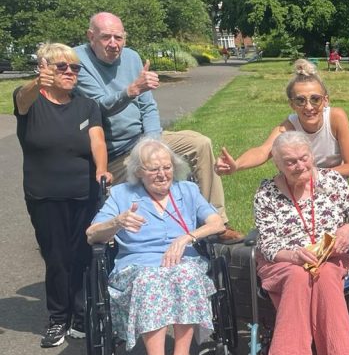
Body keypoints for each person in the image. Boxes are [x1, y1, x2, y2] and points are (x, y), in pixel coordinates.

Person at [74, 12, 243, 242]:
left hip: (142, 139)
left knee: (200, 143)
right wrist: (131, 90)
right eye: (106, 37)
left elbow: (148, 107)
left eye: (118, 37)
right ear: (91, 36)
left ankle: (217, 223)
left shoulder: (132, 57)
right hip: (115, 152)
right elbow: (97, 108)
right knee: (148, 172)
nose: (113, 44)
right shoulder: (78, 61)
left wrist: (152, 143)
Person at [86, 138, 225, 355]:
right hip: (138, 267)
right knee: (151, 281)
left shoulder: (187, 190)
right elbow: (92, 235)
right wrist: (117, 222)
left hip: (183, 261)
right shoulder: (122, 195)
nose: (162, 174)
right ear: (139, 171)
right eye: (153, 169)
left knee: (186, 275)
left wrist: (187, 237)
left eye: (167, 167)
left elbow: (217, 222)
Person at [250, 132, 349, 355]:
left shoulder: (332, 181)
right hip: (284, 263)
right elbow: (268, 243)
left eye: (303, 158)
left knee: (325, 274)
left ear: (312, 155)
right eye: (290, 162)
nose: (299, 165)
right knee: (298, 274)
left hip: (329, 259)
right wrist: (294, 255)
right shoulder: (266, 193)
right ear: (278, 164)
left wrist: (348, 228)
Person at [15, 43, 110, 347]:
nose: (70, 72)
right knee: (57, 258)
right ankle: (58, 317)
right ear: (44, 68)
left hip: (84, 193)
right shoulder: (31, 102)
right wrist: (36, 83)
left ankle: (80, 315)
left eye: (75, 68)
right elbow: (22, 98)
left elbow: (97, 141)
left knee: (82, 256)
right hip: (45, 195)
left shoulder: (86, 105)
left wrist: (102, 169)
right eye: (62, 67)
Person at [216, 59, 349, 178]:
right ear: (292, 105)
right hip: (299, 185)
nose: (309, 107)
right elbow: (263, 151)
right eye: (300, 100)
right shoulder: (289, 126)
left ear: (326, 100)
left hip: (332, 185)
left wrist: (312, 175)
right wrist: (236, 164)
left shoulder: (336, 118)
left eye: (315, 99)